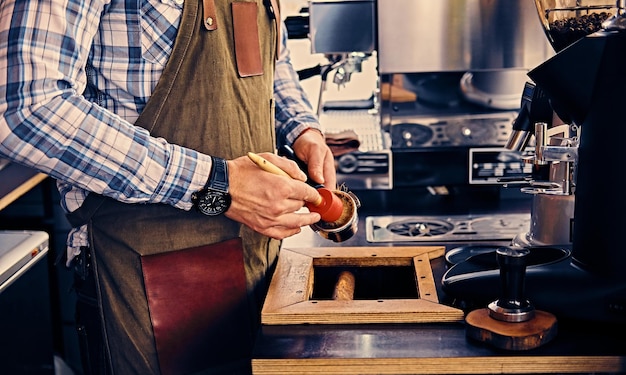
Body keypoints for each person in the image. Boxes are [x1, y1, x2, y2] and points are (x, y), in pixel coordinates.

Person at [0, 0, 336, 373]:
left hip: (260, 267)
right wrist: (217, 185)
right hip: (155, 285)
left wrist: (303, 127)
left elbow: (275, 58)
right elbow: (27, 108)